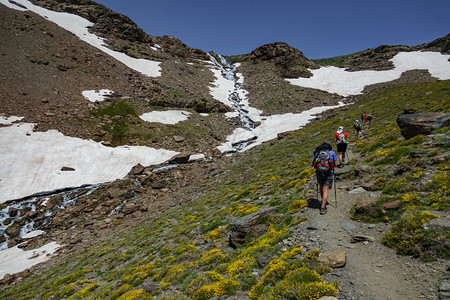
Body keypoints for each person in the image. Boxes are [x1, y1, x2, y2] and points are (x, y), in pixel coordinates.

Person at [312, 141, 338, 215]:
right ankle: (323, 206)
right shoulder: (332, 152)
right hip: (328, 172)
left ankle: (323, 200)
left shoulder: (318, 153)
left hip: (319, 172)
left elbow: (313, 163)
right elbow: (335, 164)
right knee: (326, 189)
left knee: (321, 186)